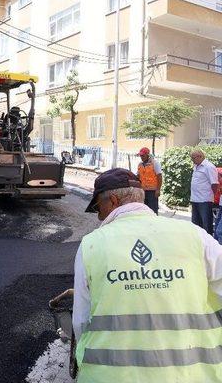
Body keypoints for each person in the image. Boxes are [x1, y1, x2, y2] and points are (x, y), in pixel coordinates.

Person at [72, 168, 222, 383]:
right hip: (193, 374)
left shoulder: (91, 245)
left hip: (110, 376)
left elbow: (81, 323)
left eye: (98, 207)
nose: (99, 216)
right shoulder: (194, 235)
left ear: (113, 201)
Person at [190, 149, 218, 234]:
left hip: (205, 200)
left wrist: (212, 197)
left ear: (200, 156)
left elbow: (214, 184)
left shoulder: (209, 167)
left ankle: (208, 244)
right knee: (196, 224)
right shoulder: (196, 166)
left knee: (206, 224)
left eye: (193, 158)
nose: (192, 160)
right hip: (195, 199)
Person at [135, 147, 162, 214]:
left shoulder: (155, 163)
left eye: (143, 155)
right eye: (140, 156)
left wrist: (158, 190)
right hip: (143, 190)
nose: (141, 157)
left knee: (152, 210)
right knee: (144, 209)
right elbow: (138, 176)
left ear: (147, 155)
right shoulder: (140, 164)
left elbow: (159, 176)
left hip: (152, 191)